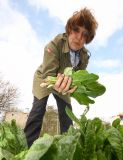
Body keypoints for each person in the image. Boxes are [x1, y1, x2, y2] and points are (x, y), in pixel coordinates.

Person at [24, 7, 98, 147]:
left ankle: (67, 148)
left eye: (85, 34)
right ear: (70, 29)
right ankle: (25, 148)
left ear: (88, 38)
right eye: (76, 30)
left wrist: (73, 87)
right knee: (38, 110)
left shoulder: (84, 56)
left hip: (65, 84)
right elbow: (49, 74)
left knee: (67, 114)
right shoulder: (54, 44)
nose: (79, 37)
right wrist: (56, 81)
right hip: (45, 79)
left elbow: (78, 77)